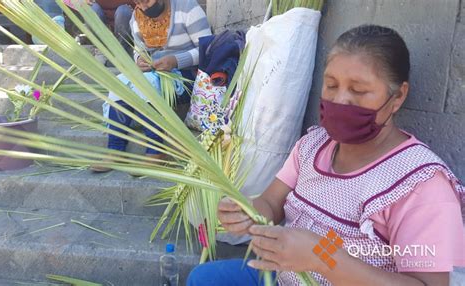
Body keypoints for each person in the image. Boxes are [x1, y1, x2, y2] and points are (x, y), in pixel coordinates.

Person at [187, 25, 465, 286]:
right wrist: (248, 213)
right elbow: (271, 203)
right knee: (203, 278)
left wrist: (322, 257)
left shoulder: (420, 184)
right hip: (283, 276)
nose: (340, 100)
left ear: (398, 97)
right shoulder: (313, 145)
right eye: (331, 85)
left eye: (358, 90)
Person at [90, 0, 211, 172]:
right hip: (155, 73)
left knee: (146, 83)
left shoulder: (188, 8)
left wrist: (176, 60)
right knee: (120, 82)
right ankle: (115, 149)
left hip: (188, 76)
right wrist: (139, 60)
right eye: (138, 2)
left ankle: (156, 150)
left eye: (147, 1)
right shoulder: (137, 17)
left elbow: (207, 48)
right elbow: (138, 51)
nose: (144, 7)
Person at [63, 0, 134, 55]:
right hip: (100, 16)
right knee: (93, 9)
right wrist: (80, 2)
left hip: (125, 17)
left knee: (124, 11)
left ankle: (121, 52)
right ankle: (102, 49)